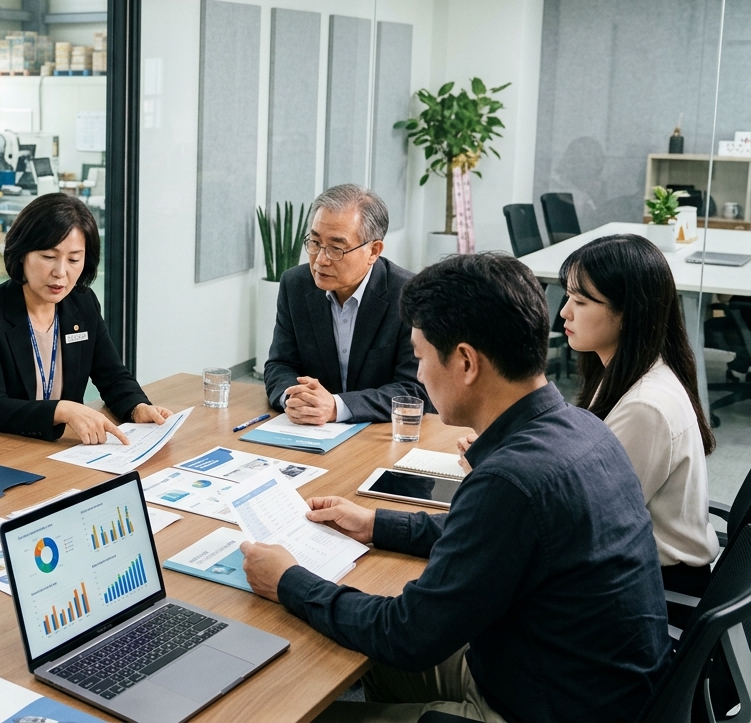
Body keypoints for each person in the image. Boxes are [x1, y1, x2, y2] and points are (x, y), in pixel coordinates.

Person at [241, 252, 670, 722]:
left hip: (536, 707)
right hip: (565, 679)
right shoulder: (582, 428)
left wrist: (288, 581)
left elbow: (406, 635)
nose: (419, 375)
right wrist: (377, 523)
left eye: (421, 357)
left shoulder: (511, 480)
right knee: (339, 656)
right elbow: (494, 538)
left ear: (466, 362)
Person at [558, 234, 718, 596]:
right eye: (568, 296)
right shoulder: (625, 370)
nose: (565, 312)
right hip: (631, 565)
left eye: (580, 301)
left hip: (653, 586)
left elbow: (587, 518)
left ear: (629, 313)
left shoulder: (646, 406)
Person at [0, 193, 171, 445]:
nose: (60, 272)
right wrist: (62, 410)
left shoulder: (82, 304)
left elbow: (112, 376)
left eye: (74, 259)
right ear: (22, 253)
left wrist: (136, 407)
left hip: (52, 447)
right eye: (48, 257)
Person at [263, 183, 427, 425]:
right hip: (312, 432)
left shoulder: (410, 294)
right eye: (315, 243)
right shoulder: (295, 284)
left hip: (381, 435)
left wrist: (337, 407)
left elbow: (414, 390)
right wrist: (294, 399)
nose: (320, 260)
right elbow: (280, 364)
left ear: (374, 250)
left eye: (336, 249)